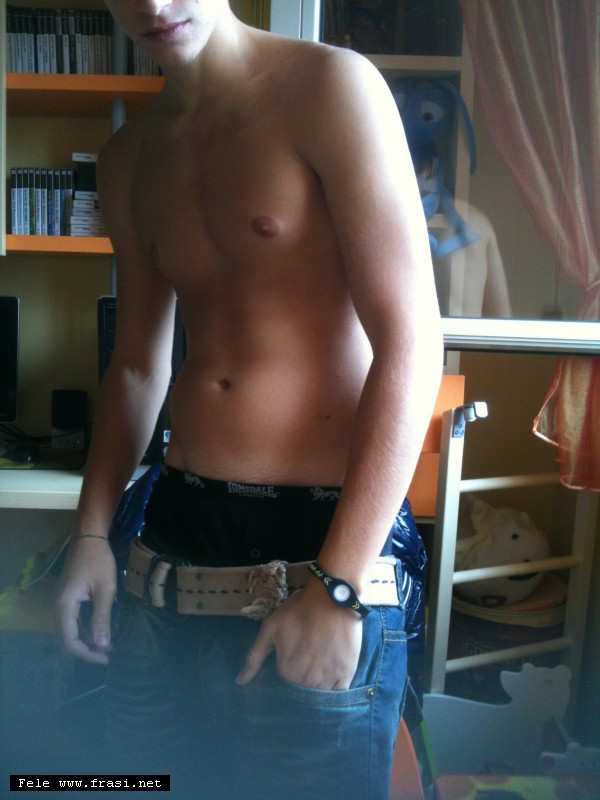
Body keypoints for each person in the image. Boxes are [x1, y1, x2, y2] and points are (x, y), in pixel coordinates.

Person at [55, 1, 442, 798]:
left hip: (322, 541)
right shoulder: (128, 157)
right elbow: (137, 366)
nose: (153, 5)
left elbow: (412, 343)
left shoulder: (330, 88)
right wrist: (91, 531)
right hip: (172, 540)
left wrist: (340, 585)